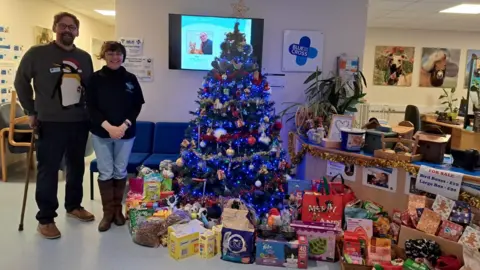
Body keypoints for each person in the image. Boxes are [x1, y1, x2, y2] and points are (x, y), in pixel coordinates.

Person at [14, 12, 94, 239]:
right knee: (48, 170)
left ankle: (74, 206)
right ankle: (46, 218)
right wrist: (30, 111)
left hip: (80, 121)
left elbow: (90, 87)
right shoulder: (37, 54)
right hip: (49, 122)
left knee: (77, 166)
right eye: (62, 26)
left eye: (72, 27)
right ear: (55, 28)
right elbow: (21, 81)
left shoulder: (85, 57)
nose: (67, 30)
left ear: (77, 31)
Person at [86, 41, 144, 232]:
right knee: (105, 172)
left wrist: (123, 125)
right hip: (101, 132)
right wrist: (109, 127)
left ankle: (118, 211)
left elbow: (137, 106)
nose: (115, 57)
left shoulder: (130, 78)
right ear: (104, 55)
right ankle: (107, 214)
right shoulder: (95, 79)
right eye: (110, 53)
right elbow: (91, 107)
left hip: (126, 133)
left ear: (123, 56)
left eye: (118, 54)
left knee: (120, 171)